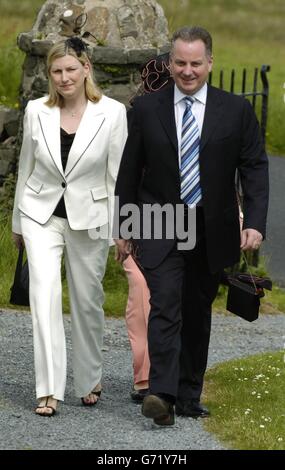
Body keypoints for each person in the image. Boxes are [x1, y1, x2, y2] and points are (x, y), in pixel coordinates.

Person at [114, 26, 269, 426]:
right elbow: (129, 172)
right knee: (165, 303)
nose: (187, 71)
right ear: (170, 63)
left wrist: (253, 222)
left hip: (210, 225)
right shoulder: (147, 110)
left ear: (210, 63)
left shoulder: (235, 111)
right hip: (160, 221)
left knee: (197, 310)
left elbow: (254, 168)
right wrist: (124, 227)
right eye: (180, 63)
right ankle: (160, 395)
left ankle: (187, 395)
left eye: (195, 63)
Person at [12, 37, 127, 416]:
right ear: (50, 74)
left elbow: (116, 178)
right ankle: (48, 389)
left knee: (87, 300)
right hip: (39, 214)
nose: (64, 78)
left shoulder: (111, 113)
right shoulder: (35, 111)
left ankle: (89, 377)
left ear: (86, 69)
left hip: (91, 219)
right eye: (57, 71)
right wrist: (17, 222)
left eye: (70, 70)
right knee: (43, 296)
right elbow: (25, 168)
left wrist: (119, 229)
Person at [119, 54, 174, 403]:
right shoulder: (132, 116)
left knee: (171, 300)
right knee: (140, 294)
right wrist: (121, 229)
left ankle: (169, 377)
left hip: (183, 220)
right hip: (139, 219)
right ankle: (145, 377)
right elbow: (123, 176)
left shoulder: (198, 118)